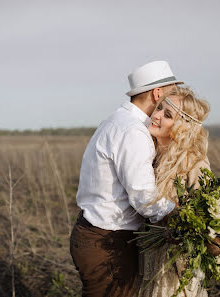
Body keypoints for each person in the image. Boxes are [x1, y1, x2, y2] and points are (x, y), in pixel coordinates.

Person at [70, 61, 184, 297]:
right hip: (107, 241)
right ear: (157, 93)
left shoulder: (119, 121)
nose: (177, 98)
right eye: (173, 92)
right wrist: (181, 215)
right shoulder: (133, 132)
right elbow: (144, 198)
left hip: (98, 235)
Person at [138, 86, 211, 297]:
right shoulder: (148, 155)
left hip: (175, 267)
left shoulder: (193, 164)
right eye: (159, 107)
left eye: (167, 114)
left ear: (182, 127)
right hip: (147, 259)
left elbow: (203, 219)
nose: (157, 115)